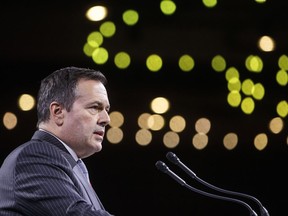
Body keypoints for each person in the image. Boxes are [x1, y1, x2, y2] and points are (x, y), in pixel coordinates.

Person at [0, 66, 114, 215]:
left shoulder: (70, 163)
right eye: (95, 107)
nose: (106, 119)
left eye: (107, 109)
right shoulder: (33, 158)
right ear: (58, 112)